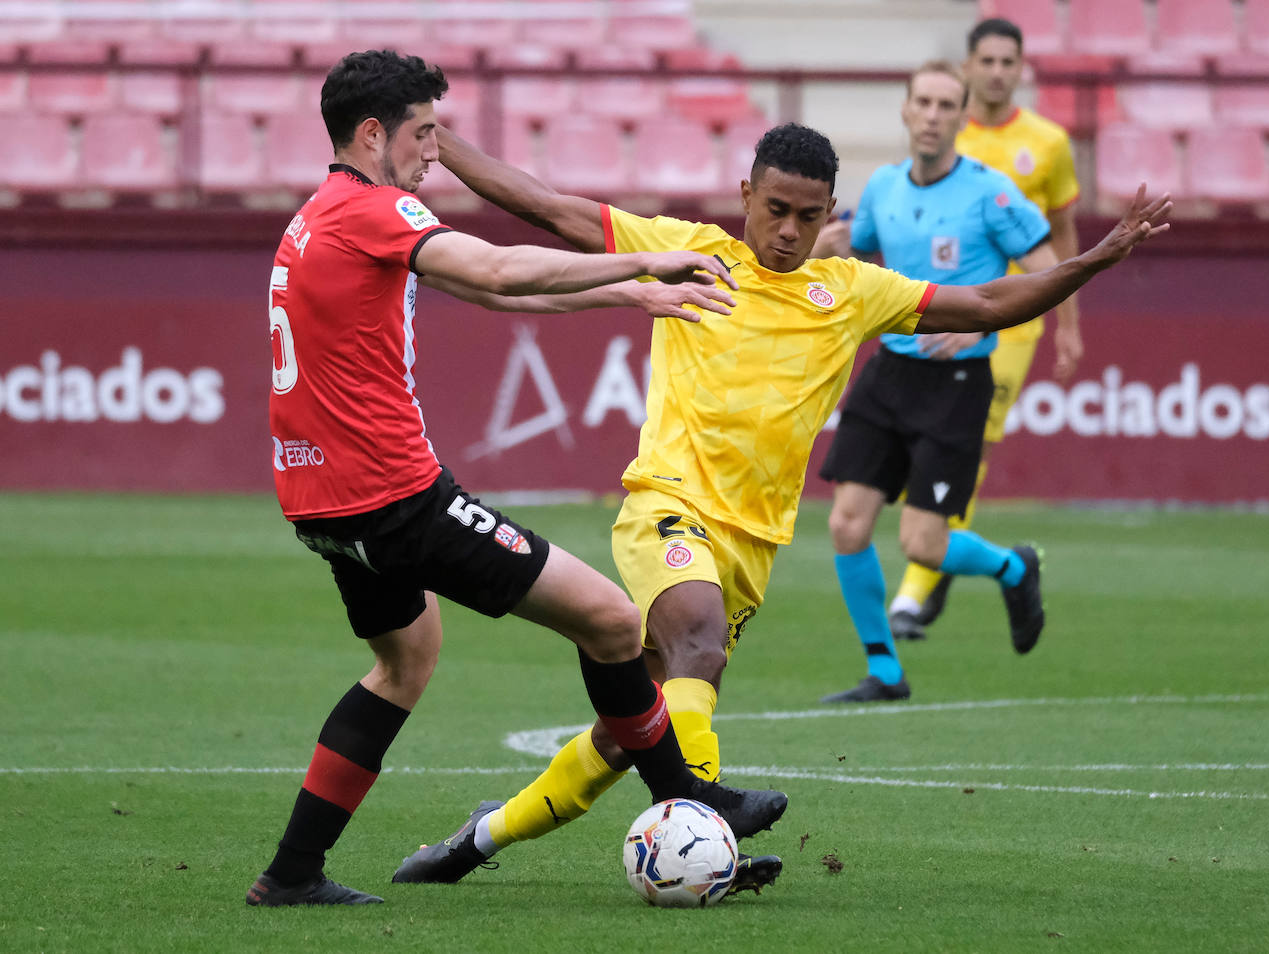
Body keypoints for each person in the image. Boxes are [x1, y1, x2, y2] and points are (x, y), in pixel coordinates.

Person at [389, 116, 1168, 894]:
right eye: (775, 209)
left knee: (631, 735)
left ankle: (478, 839)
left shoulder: (854, 292)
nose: (790, 231)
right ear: (745, 195)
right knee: (698, 639)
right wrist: (442, 143)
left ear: (831, 213)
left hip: (753, 544)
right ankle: (704, 817)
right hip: (668, 504)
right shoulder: (686, 253)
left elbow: (992, 301)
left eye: (809, 215)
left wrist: (1096, 259)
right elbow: (550, 207)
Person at [246, 48, 791, 908]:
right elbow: (499, 268)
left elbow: (500, 296)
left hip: (322, 504)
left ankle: (291, 873)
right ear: (374, 133)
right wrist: (643, 264)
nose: (435, 152)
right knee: (612, 622)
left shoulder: (316, 215)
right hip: (396, 499)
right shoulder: (374, 209)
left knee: (403, 662)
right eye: (425, 133)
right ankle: (691, 799)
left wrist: (628, 298)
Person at [811, 61, 1060, 704]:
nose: (931, 115)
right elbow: (851, 252)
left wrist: (982, 330)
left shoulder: (990, 192)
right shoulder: (886, 188)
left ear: (961, 115)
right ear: (905, 109)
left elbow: (1048, 271)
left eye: (946, 105)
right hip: (889, 372)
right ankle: (885, 673)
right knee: (846, 526)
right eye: (922, 102)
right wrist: (827, 245)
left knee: (922, 542)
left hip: (956, 380)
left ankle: (1012, 566)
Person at [889, 16, 1086, 641]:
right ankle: (949, 556)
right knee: (925, 450)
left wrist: (1068, 325)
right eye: (989, 61)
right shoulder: (943, 128)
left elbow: (1061, 238)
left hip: (1009, 328)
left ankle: (917, 588)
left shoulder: (1048, 143)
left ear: (1022, 69)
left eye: (1010, 62)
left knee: (966, 450)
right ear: (969, 69)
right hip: (943, 314)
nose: (999, 72)